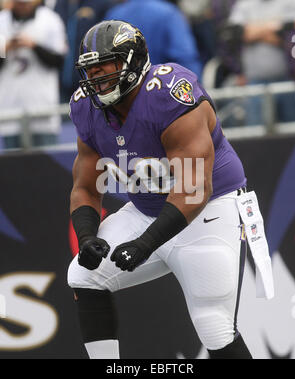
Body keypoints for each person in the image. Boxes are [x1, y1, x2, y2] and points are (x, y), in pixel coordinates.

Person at [67, 20, 274, 359]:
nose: (97, 77)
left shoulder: (169, 94)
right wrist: (87, 235)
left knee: (214, 324)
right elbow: (85, 187)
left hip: (209, 209)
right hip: (147, 207)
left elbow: (194, 188)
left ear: (134, 62)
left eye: (106, 65)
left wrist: (145, 243)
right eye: (90, 70)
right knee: (83, 275)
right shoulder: (86, 107)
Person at [0, 0, 67, 149]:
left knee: (47, 165)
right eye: (19, 3)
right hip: (10, 110)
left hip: (42, 109)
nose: (23, 5)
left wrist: (34, 45)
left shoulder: (50, 20)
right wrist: (7, 47)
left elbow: (59, 61)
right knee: (13, 168)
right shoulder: (1, 22)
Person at [228, 0, 295, 125]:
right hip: (255, 80)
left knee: (293, 130)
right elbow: (236, 33)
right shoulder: (244, 4)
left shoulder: (289, 2)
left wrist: (254, 31)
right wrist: (274, 26)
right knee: (256, 130)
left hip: (288, 79)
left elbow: (291, 34)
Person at [105, 0, 202, 80]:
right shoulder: (169, 13)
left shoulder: (114, 15)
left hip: (125, 94)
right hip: (162, 90)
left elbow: (104, 56)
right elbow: (186, 57)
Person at [54, 0, 120, 102]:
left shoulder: (102, 4)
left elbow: (109, 40)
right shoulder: (61, 4)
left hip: (91, 80)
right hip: (62, 82)